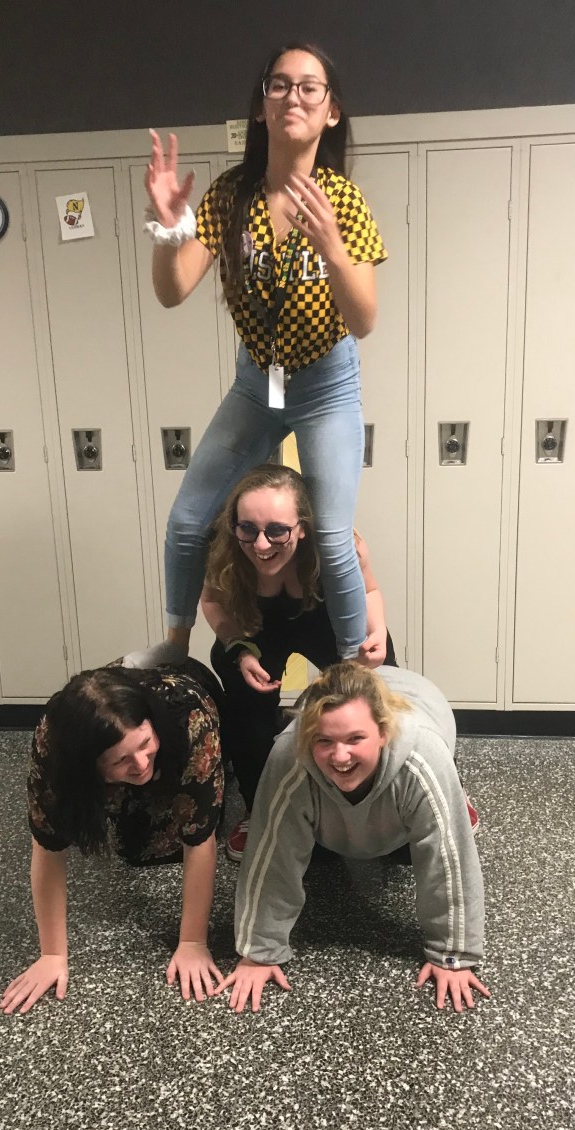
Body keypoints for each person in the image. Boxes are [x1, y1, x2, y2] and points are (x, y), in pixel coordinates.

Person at [137, 42, 387, 671]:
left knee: (332, 536)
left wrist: (332, 248)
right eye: (279, 85)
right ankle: (175, 656)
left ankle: (352, 672)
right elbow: (172, 290)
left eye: (309, 87)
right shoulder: (231, 195)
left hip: (326, 385)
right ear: (260, 106)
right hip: (257, 384)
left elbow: (363, 320)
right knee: (188, 520)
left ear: (331, 111)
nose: (293, 96)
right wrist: (169, 228)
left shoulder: (343, 201)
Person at [215, 662, 489, 1014]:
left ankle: (455, 790)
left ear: (383, 733)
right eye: (324, 741)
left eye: (355, 739)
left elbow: (448, 860)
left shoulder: (423, 757)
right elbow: (273, 855)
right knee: (319, 853)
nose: (340, 755)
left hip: (421, 731)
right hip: (329, 799)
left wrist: (453, 955)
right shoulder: (290, 756)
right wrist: (259, 952)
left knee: (413, 848)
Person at [0, 659, 226, 1014]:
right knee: (133, 846)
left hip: (192, 691)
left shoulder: (192, 720)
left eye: (145, 744)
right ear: (87, 766)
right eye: (121, 760)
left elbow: (200, 839)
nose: (141, 764)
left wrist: (193, 943)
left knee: (185, 823)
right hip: (104, 747)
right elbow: (47, 845)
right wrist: (52, 954)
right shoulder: (53, 744)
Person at [200, 462, 396, 861]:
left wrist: (376, 631)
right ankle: (259, 809)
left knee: (379, 693)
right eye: (248, 529)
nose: (261, 544)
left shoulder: (340, 546)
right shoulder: (224, 549)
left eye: (277, 530)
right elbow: (212, 601)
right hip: (256, 628)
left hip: (325, 618)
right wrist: (238, 647)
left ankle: (400, 793)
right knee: (247, 713)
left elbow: (369, 590)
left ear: (303, 527)